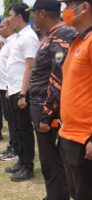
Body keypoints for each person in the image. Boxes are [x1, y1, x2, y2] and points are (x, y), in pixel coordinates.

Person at [29, 0, 77, 199]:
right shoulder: (51, 36)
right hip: (42, 105)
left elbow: (57, 79)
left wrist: (46, 116)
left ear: (41, 13)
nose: (32, 18)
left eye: (33, 14)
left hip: (48, 109)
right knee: (49, 162)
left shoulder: (62, 35)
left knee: (53, 163)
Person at [56, 0, 92, 199]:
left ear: (84, 7)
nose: (65, 11)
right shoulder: (78, 41)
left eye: (69, 4)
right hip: (69, 136)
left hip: (85, 139)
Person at [5, 3, 40, 182]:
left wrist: (21, 94)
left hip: (22, 90)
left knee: (25, 129)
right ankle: (21, 160)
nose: (9, 19)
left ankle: (28, 166)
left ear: (19, 16)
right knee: (18, 128)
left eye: (11, 15)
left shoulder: (29, 37)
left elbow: (29, 66)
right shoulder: (19, 36)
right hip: (14, 89)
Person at [0, 18, 18, 161]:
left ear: (10, 27)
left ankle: (16, 148)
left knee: (14, 121)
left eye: (1, 26)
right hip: (3, 87)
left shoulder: (14, 42)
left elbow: (15, 68)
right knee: (9, 119)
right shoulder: (8, 42)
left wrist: (9, 86)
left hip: (9, 88)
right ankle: (12, 144)